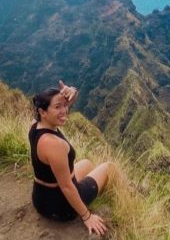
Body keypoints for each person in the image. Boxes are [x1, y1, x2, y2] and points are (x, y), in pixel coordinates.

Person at [29, 80, 111, 236]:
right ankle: (128, 195)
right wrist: (87, 217)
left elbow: (60, 111)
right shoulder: (53, 144)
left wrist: (70, 95)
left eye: (65, 105)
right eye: (58, 107)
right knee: (109, 167)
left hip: (41, 197)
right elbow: (66, 186)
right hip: (61, 207)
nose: (64, 110)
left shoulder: (35, 125)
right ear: (43, 112)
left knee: (87, 163)